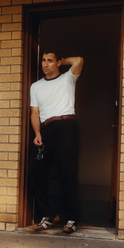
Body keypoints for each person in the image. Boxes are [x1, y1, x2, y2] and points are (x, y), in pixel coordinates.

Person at [28, 47, 84, 233]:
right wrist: (37, 133)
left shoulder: (68, 78)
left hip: (66, 127)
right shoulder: (35, 86)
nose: (45, 64)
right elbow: (34, 112)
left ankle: (72, 219)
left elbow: (79, 60)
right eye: (43, 60)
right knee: (35, 172)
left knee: (67, 174)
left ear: (58, 62)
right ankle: (49, 213)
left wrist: (61, 59)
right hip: (46, 130)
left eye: (50, 60)